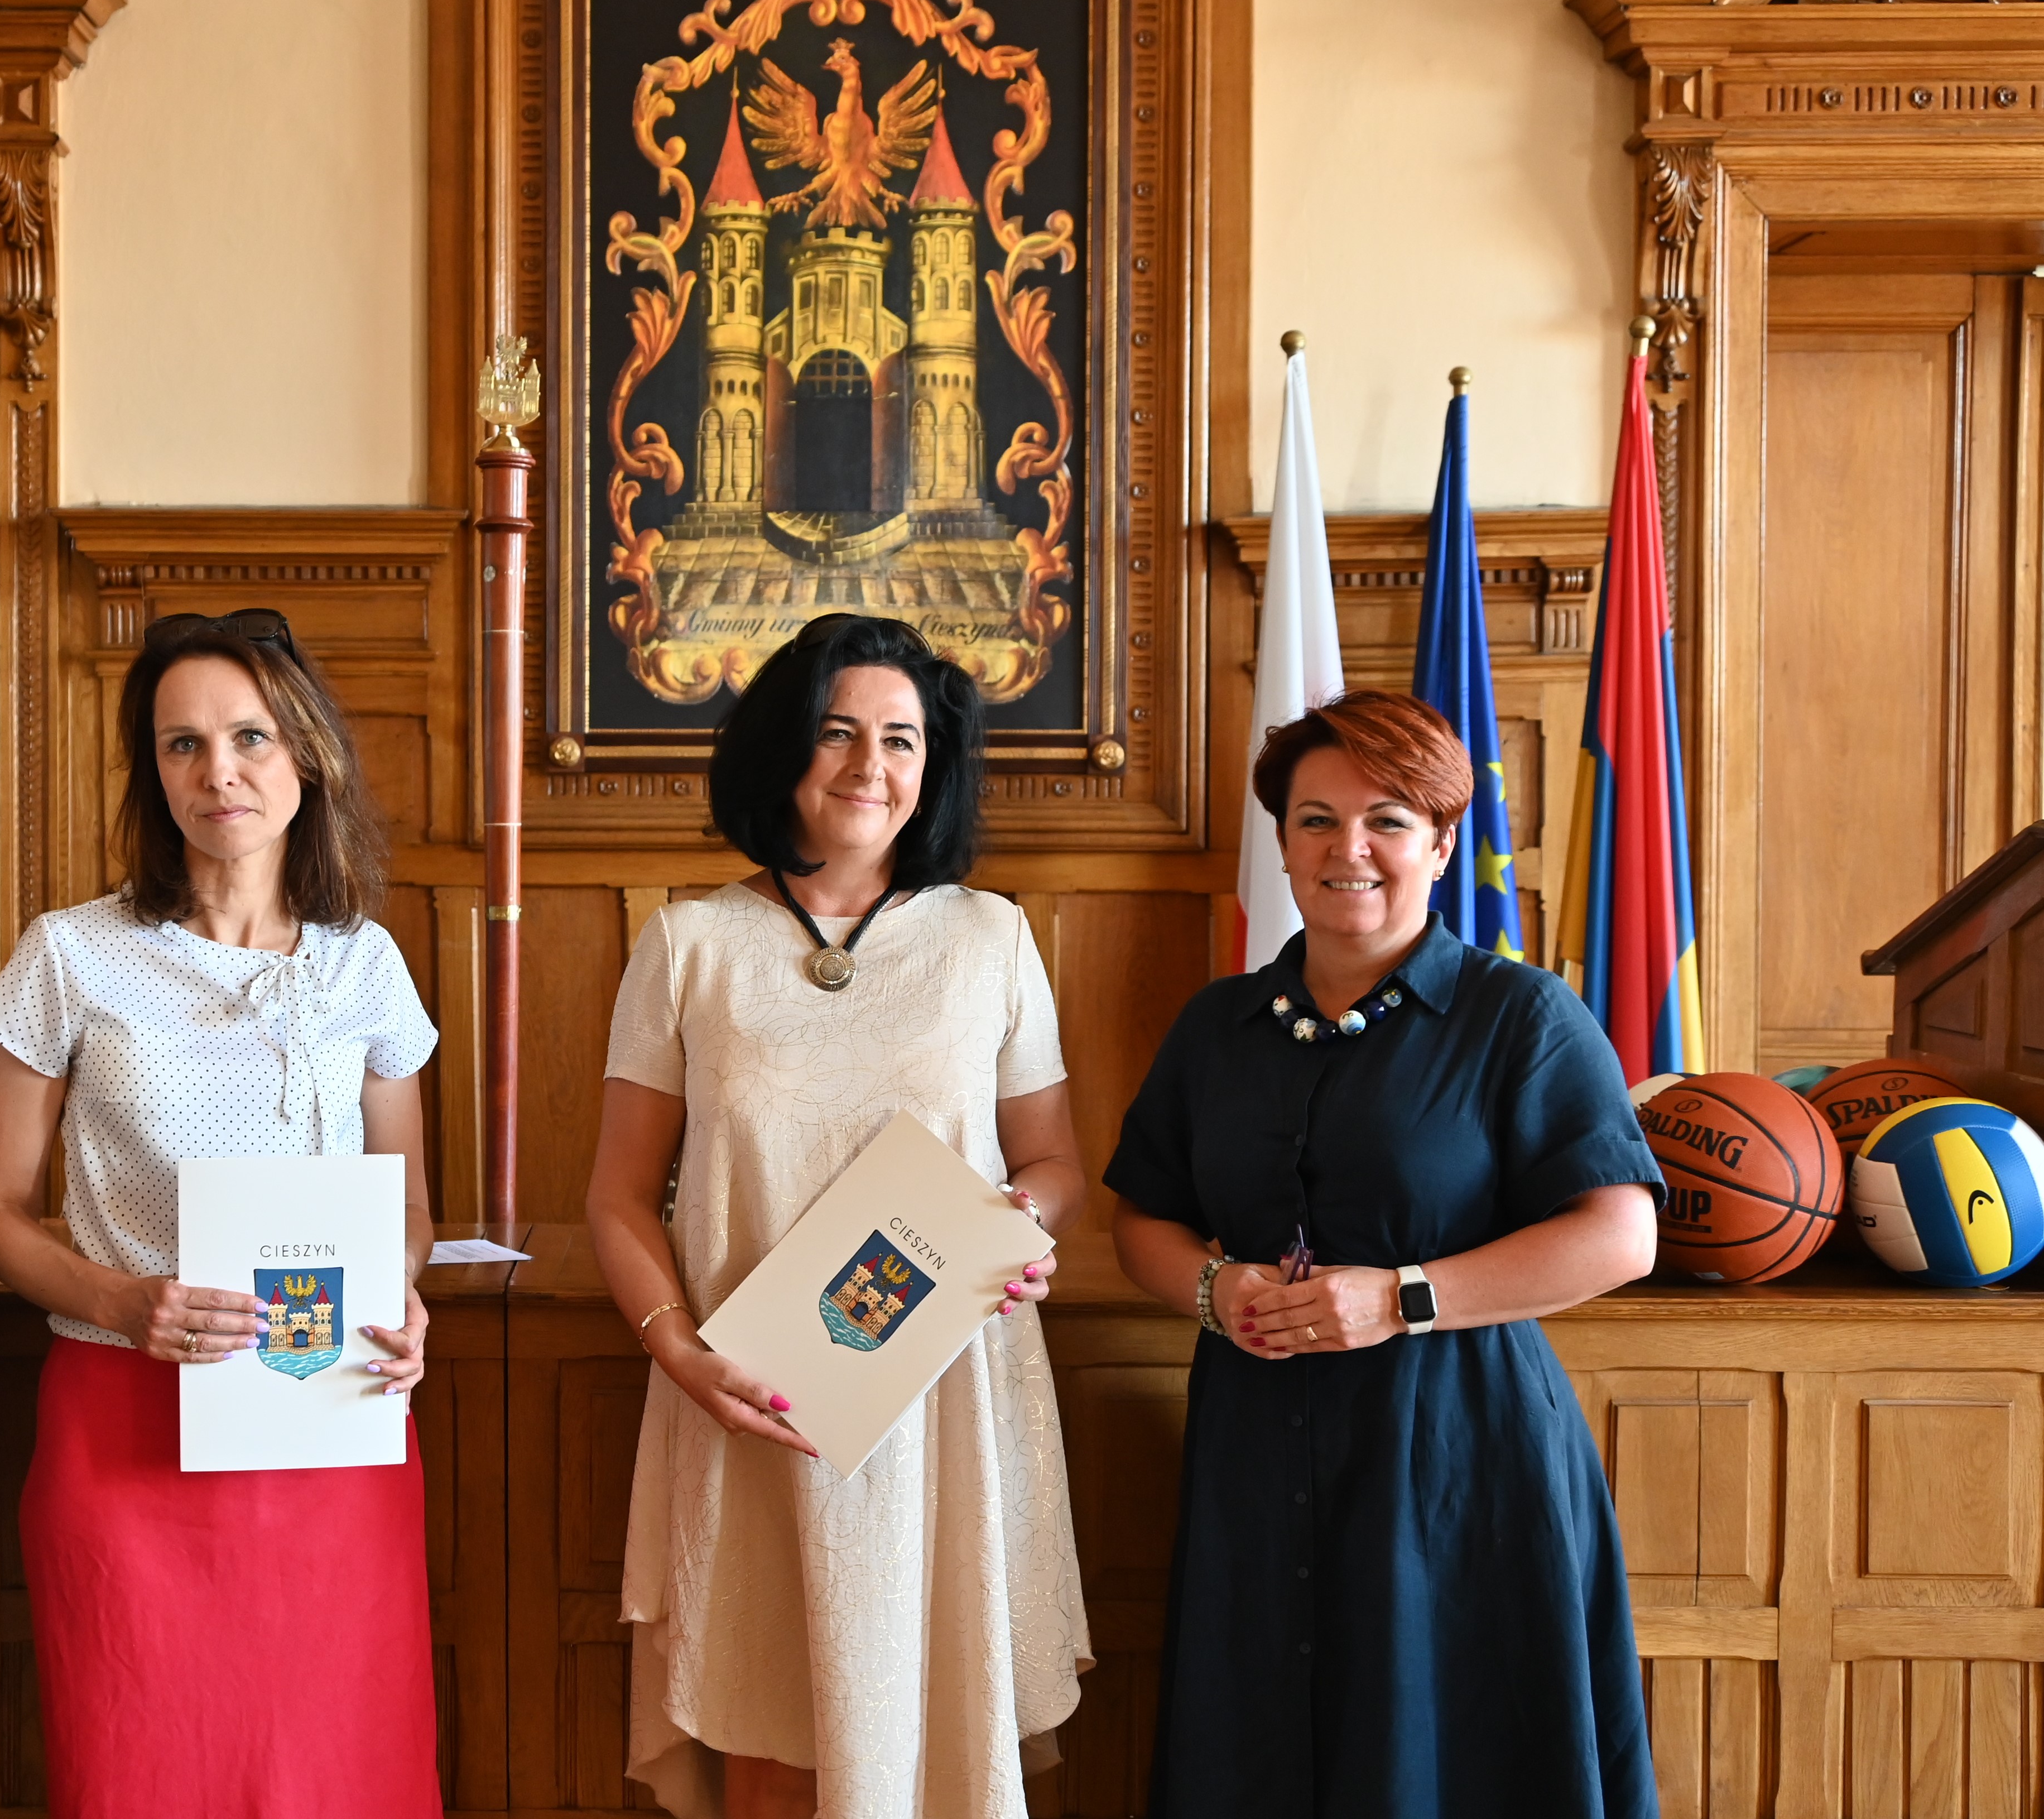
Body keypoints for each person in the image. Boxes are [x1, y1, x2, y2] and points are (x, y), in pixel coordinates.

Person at [1107, 689, 1661, 1818]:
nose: (1346, 848)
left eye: (1388, 821)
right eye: (1316, 820)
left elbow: (1622, 1235)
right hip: (1255, 1447)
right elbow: (1141, 1220)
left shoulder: (1523, 1016)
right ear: (1283, 842)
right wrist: (1215, 1289)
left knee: (1453, 1754)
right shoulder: (1216, 1027)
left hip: (1463, 1452)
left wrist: (1402, 1297)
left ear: (1444, 843)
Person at [585, 612, 1091, 1819]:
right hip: (751, 1394)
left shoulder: (991, 937)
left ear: (934, 764)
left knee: (945, 1729)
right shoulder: (689, 942)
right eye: (838, 731)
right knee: (769, 1727)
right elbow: (617, 1194)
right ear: (784, 747)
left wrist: (1020, 1224)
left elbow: (1055, 1161)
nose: (872, 764)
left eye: (901, 739)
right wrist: (679, 1350)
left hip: (947, 1396)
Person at [0, 607, 443, 1819]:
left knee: (339, 1770)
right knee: (142, 1764)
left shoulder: (367, 962)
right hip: (125, 1421)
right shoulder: (68, 954)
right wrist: (123, 1300)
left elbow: (408, 1204)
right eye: (182, 744)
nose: (218, 771)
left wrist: (400, 1291)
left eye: (249, 737)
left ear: (307, 756)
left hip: (328, 1407)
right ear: (154, 771)